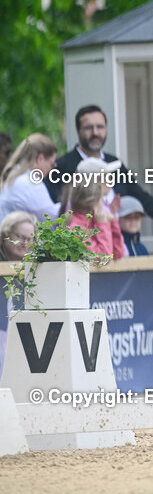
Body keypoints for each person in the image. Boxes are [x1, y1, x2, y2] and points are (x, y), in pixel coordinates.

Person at [46, 105, 153, 235]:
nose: (95, 133)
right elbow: (54, 212)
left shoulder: (114, 163)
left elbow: (141, 198)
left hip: (121, 246)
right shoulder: (62, 167)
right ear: (78, 131)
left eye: (100, 127)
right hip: (86, 251)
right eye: (89, 128)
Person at [63, 161, 125, 260]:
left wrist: (112, 222)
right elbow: (103, 258)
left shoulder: (94, 219)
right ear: (94, 203)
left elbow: (118, 253)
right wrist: (103, 225)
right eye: (101, 199)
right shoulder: (76, 228)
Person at [0, 210, 35, 378]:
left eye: (30, 239)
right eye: (20, 237)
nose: (25, 243)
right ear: (6, 235)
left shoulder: (37, 267)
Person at [0, 133, 60, 221]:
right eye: (51, 164)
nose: (51, 169)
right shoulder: (29, 182)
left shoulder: (16, 175)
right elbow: (52, 219)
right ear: (40, 159)